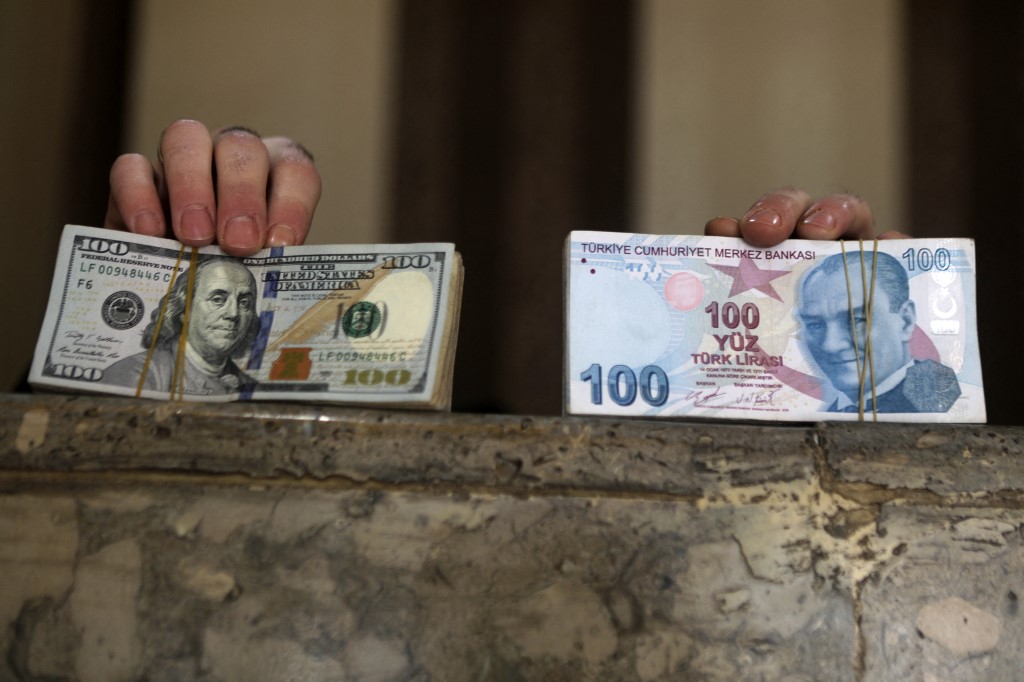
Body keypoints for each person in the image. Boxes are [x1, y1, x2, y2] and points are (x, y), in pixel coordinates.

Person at [796, 250, 960, 413]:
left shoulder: (947, 399)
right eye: (815, 325)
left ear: (905, 320)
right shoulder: (827, 413)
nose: (830, 345)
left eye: (856, 320)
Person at [104, 257, 261, 395]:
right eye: (217, 299)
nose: (233, 313)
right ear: (185, 310)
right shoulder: (135, 375)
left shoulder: (252, 387)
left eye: (244, 303)